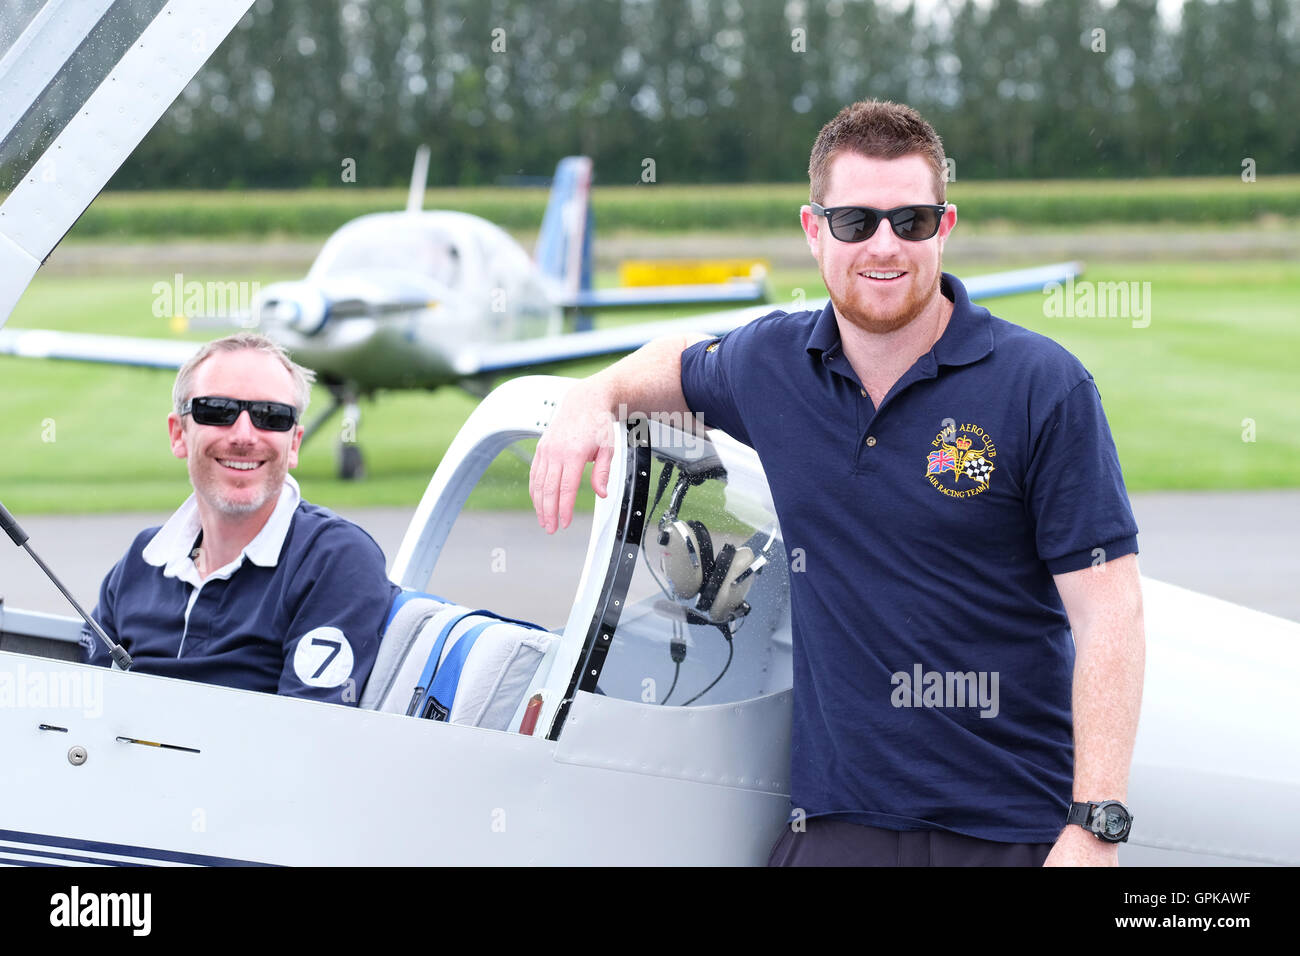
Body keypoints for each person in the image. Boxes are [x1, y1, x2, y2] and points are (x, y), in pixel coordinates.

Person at [529, 100, 1144, 866]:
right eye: (856, 222)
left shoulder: (1043, 387)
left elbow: (1109, 612)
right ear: (814, 230)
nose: (884, 246)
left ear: (944, 228)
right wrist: (594, 396)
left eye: (911, 222)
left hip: (1009, 827)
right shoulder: (771, 365)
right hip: (835, 826)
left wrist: (1093, 829)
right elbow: (680, 360)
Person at [81, 333, 399, 706]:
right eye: (217, 411)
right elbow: (87, 707)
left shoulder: (336, 561)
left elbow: (306, 740)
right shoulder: (142, 559)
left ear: (294, 443)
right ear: (178, 434)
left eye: (271, 417)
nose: (244, 436)